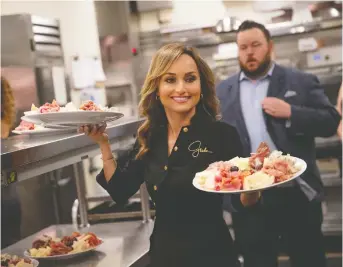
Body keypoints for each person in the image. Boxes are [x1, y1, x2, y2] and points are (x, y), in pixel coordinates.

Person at [80, 43, 261, 267]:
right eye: (170, 80)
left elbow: (242, 203)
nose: (181, 88)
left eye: (190, 78)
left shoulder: (222, 135)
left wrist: (254, 187)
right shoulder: (149, 137)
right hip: (164, 255)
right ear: (157, 88)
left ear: (202, 85)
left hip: (212, 255)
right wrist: (103, 144)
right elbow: (120, 189)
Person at [216, 20, 341, 267]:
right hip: (249, 198)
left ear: (270, 46)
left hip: (296, 193)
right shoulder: (222, 91)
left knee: (309, 260)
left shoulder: (300, 81)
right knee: (257, 261)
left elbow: (330, 121)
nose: (249, 52)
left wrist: (292, 112)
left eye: (255, 45)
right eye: (243, 47)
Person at [1, 76, 22, 248]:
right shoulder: (7, 129)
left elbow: (11, 175)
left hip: (6, 205)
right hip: (11, 202)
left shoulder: (5, 132)